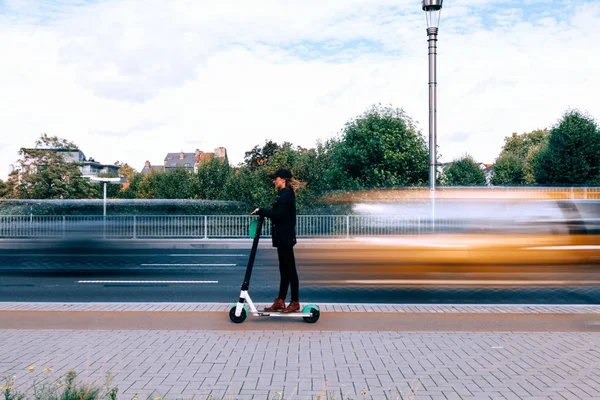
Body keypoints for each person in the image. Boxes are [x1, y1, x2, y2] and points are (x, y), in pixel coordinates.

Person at [251, 168, 300, 313]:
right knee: (284, 270)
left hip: (285, 238)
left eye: (276, 178)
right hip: (281, 237)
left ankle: (295, 301)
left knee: (290, 270)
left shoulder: (287, 196)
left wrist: (261, 211)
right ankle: (280, 300)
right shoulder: (283, 194)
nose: (274, 181)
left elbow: (278, 215)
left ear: (283, 179)